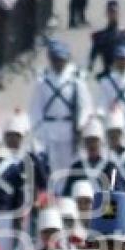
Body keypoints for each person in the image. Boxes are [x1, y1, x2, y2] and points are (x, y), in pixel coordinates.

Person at [28, 39, 93, 178]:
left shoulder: (76, 80)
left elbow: (85, 106)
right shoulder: (43, 81)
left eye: (61, 59)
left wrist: (80, 126)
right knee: (50, 167)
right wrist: (39, 129)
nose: (58, 63)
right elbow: (35, 108)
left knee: (70, 167)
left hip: (70, 128)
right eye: (55, 59)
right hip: (49, 128)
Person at [88, 0, 123, 76]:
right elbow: (92, 56)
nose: (113, 14)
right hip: (108, 74)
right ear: (106, 14)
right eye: (110, 12)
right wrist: (90, 66)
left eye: (114, 12)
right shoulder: (100, 36)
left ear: (119, 13)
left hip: (123, 74)